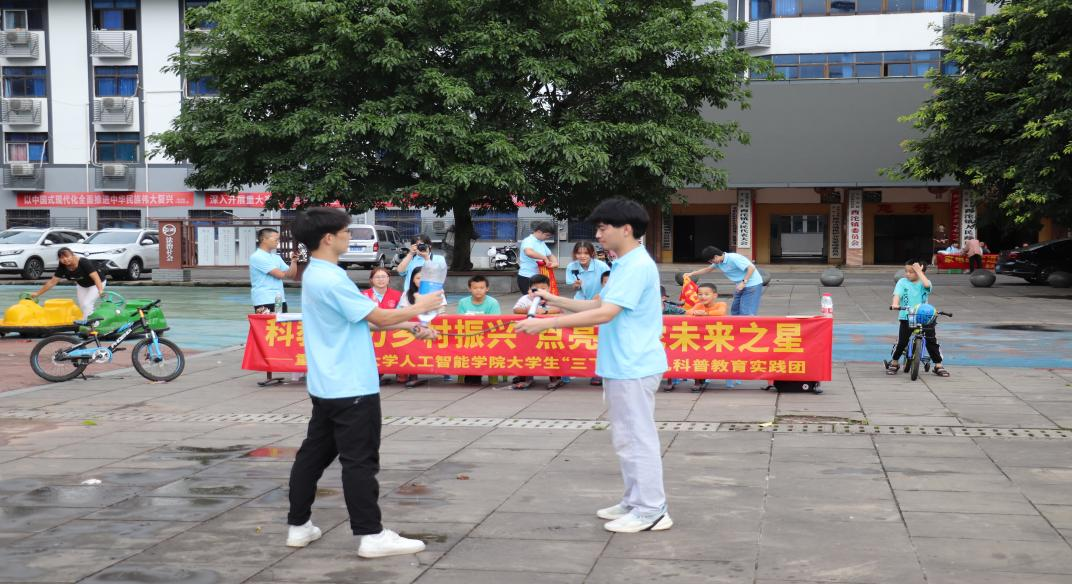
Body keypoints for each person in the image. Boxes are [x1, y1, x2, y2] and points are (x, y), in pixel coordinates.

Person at [284, 207, 443, 559]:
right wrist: (421, 305)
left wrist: (409, 326)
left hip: (328, 385)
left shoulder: (317, 274)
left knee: (312, 457)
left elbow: (359, 320)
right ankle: (371, 535)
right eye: (346, 232)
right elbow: (378, 316)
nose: (349, 237)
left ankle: (298, 526)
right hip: (352, 386)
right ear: (328, 238)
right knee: (360, 462)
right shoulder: (331, 278)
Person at [516, 197, 671, 534]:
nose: (598, 235)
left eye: (602, 228)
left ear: (626, 229)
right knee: (626, 438)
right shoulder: (623, 263)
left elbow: (605, 314)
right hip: (622, 363)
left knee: (637, 438)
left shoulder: (636, 265)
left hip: (633, 364)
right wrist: (553, 299)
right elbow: (599, 303)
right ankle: (634, 501)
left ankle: (652, 510)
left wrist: (547, 323)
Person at [887, 259, 949, 377]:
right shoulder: (902, 282)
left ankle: (938, 365)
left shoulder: (924, 282)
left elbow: (927, 285)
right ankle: (895, 362)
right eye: (906, 271)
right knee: (902, 341)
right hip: (907, 315)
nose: (907, 274)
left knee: (931, 341)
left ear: (921, 272)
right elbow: (897, 295)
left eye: (911, 272)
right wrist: (895, 304)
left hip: (925, 316)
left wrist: (919, 272)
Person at [511, 274, 564, 390]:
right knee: (527, 354)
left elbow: (559, 309)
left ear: (549, 288)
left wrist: (545, 312)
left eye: (543, 288)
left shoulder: (552, 298)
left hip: (549, 334)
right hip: (530, 335)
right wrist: (527, 309)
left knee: (551, 354)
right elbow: (516, 310)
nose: (539, 291)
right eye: (536, 289)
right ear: (530, 289)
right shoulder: (525, 299)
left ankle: (555, 378)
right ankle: (526, 377)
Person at [685, 247, 763, 319]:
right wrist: (691, 274)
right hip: (740, 285)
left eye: (711, 261)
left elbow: (751, 268)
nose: (711, 262)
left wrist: (743, 282)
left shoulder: (734, 258)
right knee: (735, 310)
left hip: (752, 284)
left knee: (746, 312)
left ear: (716, 256)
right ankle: (737, 327)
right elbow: (708, 269)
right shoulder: (718, 262)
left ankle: (747, 327)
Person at [31, 247, 106, 318]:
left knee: (87, 304)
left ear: (72, 255)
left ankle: (93, 324)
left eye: (67, 256)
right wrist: (37, 293)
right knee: (83, 306)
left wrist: (100, 290)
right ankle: (86, 321)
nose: (65, 259)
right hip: (82, 285)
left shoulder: (83, 262)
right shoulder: (62, 266)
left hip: (97, 284)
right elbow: (52, 282)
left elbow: (96, 277)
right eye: (62, 258)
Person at [458, 275, 501, 386]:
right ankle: (471, 374)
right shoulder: (463, 302)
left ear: (487, 288)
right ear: (469, 289)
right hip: (468, 336)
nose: (478, 290)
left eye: (481, 288)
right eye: (475, 288)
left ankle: (476, 375)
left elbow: (496, 323)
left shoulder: (493, 303)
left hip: (487, 337)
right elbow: (459, 321)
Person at [249, 228, 300, 314]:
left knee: (281, 322)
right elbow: (280, 275)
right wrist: (285, 272)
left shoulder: (276, 257)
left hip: (279, 299)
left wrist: (294, 262)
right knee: (267, 323)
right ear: (264, 239)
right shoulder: (257, 256)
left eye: (278, 239)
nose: (278, 242)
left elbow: (291, 275)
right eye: (275, 239)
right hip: (264, 300)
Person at [517, 221, 558, 293]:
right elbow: (529, 252)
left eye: (549, 236)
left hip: (540, 277)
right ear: (539, 232)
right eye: (547, 235)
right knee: (532, 299)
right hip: (527, 277)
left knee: (541, 298)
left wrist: (555, 263)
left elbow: (550, 255)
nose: (548, 237)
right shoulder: (528, 241)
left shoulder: (541, 242)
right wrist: (544, 258)